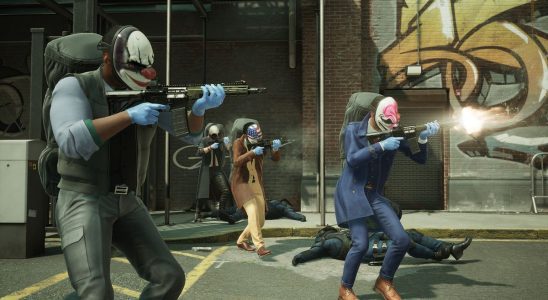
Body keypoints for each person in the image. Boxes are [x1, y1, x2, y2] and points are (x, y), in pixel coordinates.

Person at [50, 25, 225, 299]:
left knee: (169, 278)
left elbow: (187, 133)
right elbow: (71, 141)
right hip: (83, 197)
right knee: (94, 292)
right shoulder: (75, 86)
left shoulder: (146, 92)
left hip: (128, 199)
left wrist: (199, 110)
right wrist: (128, 116)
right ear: (108, 59)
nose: (144, 74)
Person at [335, 94, 440, 300]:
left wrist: (423, 138)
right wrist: (381, 146)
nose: (387, 132)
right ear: (374, 115)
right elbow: (352, 160)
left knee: (401, 239)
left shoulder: (394, 132)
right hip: (353, 191)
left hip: (373, 193)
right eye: (384, 126)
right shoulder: (353, 130)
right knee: (360, 244)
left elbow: (420, 159)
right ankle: (345, 289)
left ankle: (384, 281)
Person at [292, 226, 473, 266]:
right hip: (368, 249)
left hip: (372, 238)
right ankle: (440, 253)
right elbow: (313, 252)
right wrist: (300, 257)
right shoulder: (328, 242)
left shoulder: (340, 233)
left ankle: (449, 247)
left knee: (410, 233)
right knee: (405, 242)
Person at [231, 122, 282, 256]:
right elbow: (236, 161)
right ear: (247, 136)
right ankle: (259, 246)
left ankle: (241, 240)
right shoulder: (238, 143)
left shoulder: (260, 143)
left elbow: (275, 159)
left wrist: (275, 149)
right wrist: (252, 152)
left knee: (260, 221)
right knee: (252, 212)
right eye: (254, 141)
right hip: (242, 183)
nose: (257, 143)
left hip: (256, 184)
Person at [194, 123, 235, 223]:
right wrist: (209, 148)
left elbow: (230, 150)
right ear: (209, 133)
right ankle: (197, 214)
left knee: (225, 190)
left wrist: (228, 145)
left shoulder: (220, 141)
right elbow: (198, 152)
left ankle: (221, 212)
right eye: (213, 135)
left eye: (216, 135)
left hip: (217, 170)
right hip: (206, 169)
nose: (214, 137)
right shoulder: (204, 141)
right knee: (202, 193)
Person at [228, 198, 307, 223]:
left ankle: (231, 216)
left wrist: (301, 217)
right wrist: (301, 217)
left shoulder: (281, 206)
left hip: (265, 208)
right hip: (266, 208)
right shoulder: (283, 208)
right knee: (246, 209)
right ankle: (230, 216)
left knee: (245, 209)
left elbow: (291, 213)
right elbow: (291, 213)